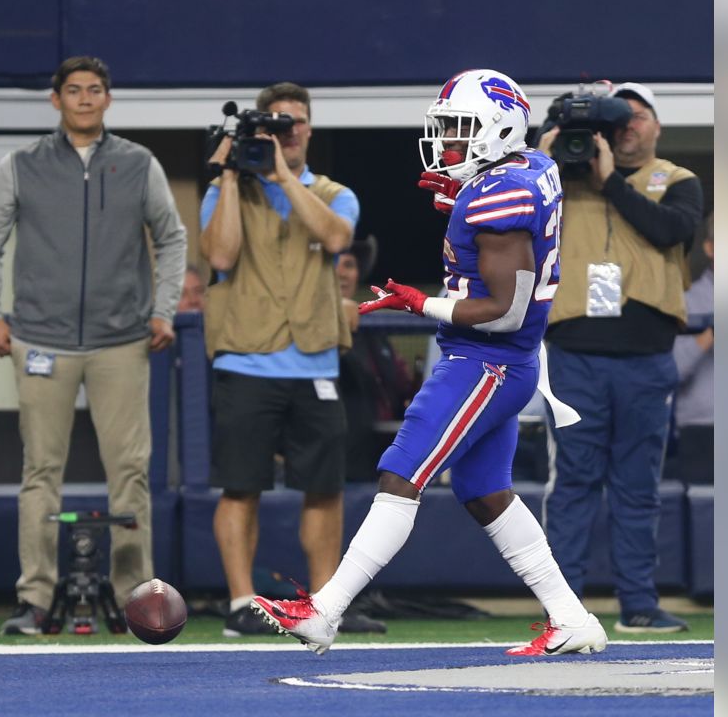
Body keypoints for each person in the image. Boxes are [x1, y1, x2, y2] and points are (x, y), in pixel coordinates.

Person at [252, 68, 608, 657]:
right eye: (445, 128)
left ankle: (326, 609)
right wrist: (458, 199)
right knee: (483, 489)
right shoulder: (525, 170)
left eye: (461, 128)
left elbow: (506, 308)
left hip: (488, 360)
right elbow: (501, 252)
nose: (447, 142)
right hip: (503, 361)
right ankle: (571, 617)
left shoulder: (501, 195)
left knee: (401, 473)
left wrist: (421, 302)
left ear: (499, 130)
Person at [0, 56, 187, 636]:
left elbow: (172, 238)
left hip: (122, 342)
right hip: (41, 340)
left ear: (107, 99)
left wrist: (163, 310)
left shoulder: (139, 164)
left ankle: (136, 599)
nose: (85, 99)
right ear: (56, 99)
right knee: (40, 470)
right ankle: (35, 599)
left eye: (95, 90)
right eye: (74, 91)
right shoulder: (20, 166)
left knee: (131, 474)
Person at [201, 81, 380, 636]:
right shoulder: (223, 188)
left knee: (324, 489)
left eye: (294, 121)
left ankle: (324, 605)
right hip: (244, 362)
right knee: (240, 487)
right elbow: (222, 253)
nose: (286, 130)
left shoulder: (332, 192)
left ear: (308, 127)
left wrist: (281, 177)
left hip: (315, 363)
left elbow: (334, 240)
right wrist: (233, 174)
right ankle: (240, 605)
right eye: (274, 122)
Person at [536, 82, 704, 633]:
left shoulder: (677, 181)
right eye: (619, 117)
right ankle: (562, 609)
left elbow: (671, 230)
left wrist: (608, 181)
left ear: (656, 124)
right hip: (575, 352)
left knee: (639, 485)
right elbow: (516, 212)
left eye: (638, 115)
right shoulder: (559, 178)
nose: (628, 125)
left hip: (647, 354)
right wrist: (544, 151)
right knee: (574, 482)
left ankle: (638, 602)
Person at [336, 238, 414, 482]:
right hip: (339, 456)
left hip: (383, 454)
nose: (341, 273)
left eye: (349, 265)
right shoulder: (305, 328)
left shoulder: (374, 329)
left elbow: (403, 384)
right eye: (332, 265)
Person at [673, 213, 713, 427]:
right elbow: (668, 373)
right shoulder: (684, 304)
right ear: (710, 248)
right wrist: (710, 335)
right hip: (699, 429)